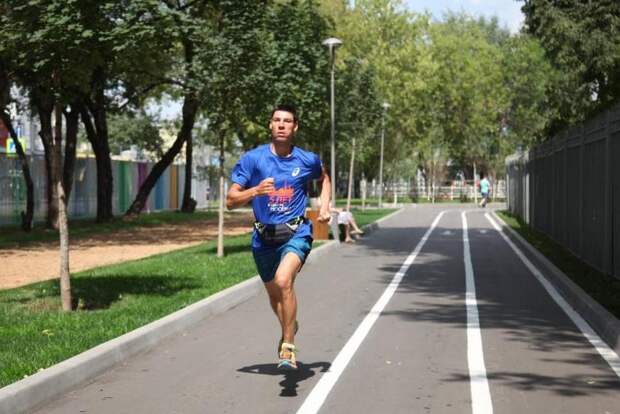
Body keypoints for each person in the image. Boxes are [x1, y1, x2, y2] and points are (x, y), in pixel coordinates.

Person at [226, 104, 331, 370]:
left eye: (287, 121)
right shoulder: (253, 159)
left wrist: (326, 206)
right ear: (270, 125)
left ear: (295, 127)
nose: (282, 125)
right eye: (277, 120)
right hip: (263, 239)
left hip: (296, 232)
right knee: (275, 297)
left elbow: (324, 177)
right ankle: (289, 324)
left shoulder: (306, 160)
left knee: (284, 281)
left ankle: (287, 347)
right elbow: (230, 200)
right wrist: (255, 191)